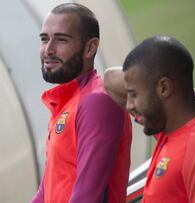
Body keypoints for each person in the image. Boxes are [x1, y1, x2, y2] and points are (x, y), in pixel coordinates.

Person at [104, 35, 195, 203]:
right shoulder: (167, 129)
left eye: (133, 94)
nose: (129, 106)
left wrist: (182, 90)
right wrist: (186, 93)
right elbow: (109, 79)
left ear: (164, 88)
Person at [31, 3, 132, 203]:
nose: (48, 50)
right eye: (44, 39)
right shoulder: (67, 102)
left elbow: (87, 197)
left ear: (90, 47)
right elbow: (46, 191)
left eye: (61, 40)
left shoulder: (97, 102)